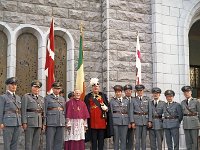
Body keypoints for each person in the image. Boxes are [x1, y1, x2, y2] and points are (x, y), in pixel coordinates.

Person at [84, 78, 113, 150]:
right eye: (94, 86)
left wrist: (105, 108)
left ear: (99, 87)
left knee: (101, 142)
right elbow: (85, 110)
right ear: (92, 88)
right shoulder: (88, 97)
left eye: (97, 86)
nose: (95, 87)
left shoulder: (103, 96)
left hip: (102, 123)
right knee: (93, 142)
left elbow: (108, 108)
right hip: (92, 123)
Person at [21, 80, 45, 150]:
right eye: (35, 87)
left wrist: (43, 123)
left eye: (38, 87)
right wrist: (24, 122)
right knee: (28, 141)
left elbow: (43, 112)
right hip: (30, 122)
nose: (36, 89)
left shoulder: (41, 98)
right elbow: (23, 110)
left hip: (39, 122)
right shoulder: (26, 97)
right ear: (31, 88)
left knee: (36, 142)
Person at [0, 77, 22, 150]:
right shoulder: (3, 97)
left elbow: (19, 110)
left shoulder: (18, 97)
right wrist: (1, 122)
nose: (14, 86)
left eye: (15, 84)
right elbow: (1, 110)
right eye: (12, 84)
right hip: (8, 122)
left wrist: (21, 122)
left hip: (17, 123)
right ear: (8, 85)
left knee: (15, 143)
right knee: (7, 143)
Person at [129, 84, 152, 150]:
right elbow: (131, 111)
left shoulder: (147, 99)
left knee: (144, 139)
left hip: (145, 121)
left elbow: (150, 110)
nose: (139, 92)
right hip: (137, 122)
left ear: (143, 91)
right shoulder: (133, 100)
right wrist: (132, 122)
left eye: (141, 91)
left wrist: (150, 121)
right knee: (137, 140)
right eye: (138, 91)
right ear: (136, 91)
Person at [44, 82, 66, 150]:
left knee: (59, 141)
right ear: (52, 89)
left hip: (61, 122)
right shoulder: (47, 98)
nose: (57, 90)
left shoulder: (62, 99)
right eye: (55, 88)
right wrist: (45, 123)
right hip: (51, 122)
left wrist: (64, 121)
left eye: (58, 89)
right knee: (50, 141)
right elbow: (44, 111)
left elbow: (64, 111)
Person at [110, 85, 129, 150]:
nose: (118, 93)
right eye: (116, 92)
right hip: (115, 123)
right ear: (115, 93)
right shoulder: (112, 101)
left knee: (124, 139)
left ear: (122, 92)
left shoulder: (126, 101)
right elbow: (111, 112)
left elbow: (129, 112)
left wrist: (129, 122)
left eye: (119, 92)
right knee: (116, 139)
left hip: (125, 122)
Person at [181, 86, 200, 150]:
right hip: (186, 124)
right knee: (188, 141)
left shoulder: (196, 101)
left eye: (188, 92)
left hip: (194, 123)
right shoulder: (182, 102)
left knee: (194, 141)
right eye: (185, 92)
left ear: (191, 92)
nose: (186, 93)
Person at [123, 84, 134, 150]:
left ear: (131, 91)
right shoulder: (122, 100)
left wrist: (132, 122)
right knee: (124, 139)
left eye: (129, 90)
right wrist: (128, 122)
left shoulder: (134, 99)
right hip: (124, 123)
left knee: (131, 139)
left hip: (133, 123)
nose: (128, 92)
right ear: (124, 92)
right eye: (126, 91)